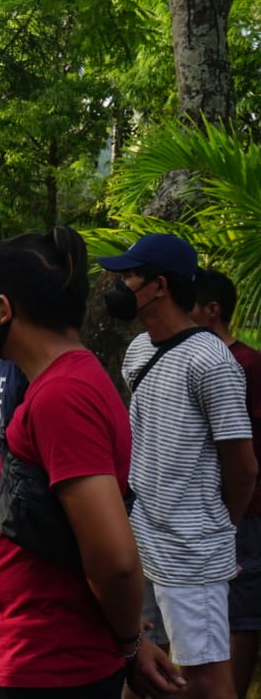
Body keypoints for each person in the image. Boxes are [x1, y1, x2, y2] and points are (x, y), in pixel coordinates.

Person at [0, 226, 185, 697]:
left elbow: (114, 560)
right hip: (35, 655)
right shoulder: (62, 383)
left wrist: (128, 645)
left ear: (4, 309)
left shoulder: (64, 395)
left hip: (48, 663)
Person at [99, 234, 257, 699]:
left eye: (129, 275)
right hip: (141, 540)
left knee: (208, 680)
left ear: (158, 286)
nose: (121, 284)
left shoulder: (212, 361)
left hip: (192, 553)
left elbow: (243, 466)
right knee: (143, 666)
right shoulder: (138, 353)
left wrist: (215, 531)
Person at [193, 268, 261, 699]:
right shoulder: (190, 359)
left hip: (245, 512)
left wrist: (234, 510)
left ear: (212, 311)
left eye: (189, 306)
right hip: (201, 511)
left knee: (240, 614)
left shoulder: (247, 364)